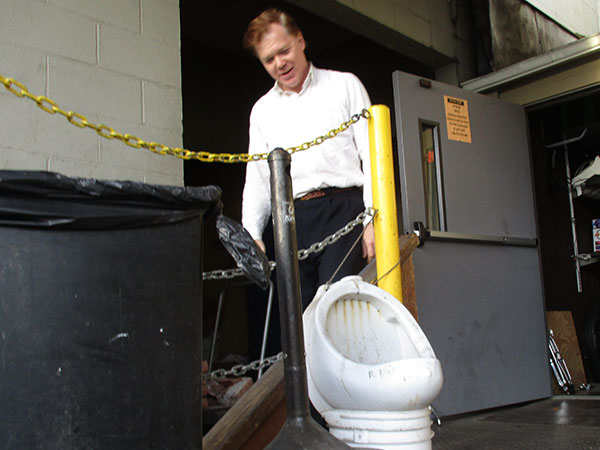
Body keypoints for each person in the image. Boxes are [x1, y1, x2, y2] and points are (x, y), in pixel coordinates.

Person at [241, 8, 375, 310]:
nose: (280, 63)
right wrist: (252, 235)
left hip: (344, 210)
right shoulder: (262, 111)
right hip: (290, 221)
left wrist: (372, 220)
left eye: (284, 51)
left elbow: (373, 157)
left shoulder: (344, 86)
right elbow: (258, 180)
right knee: (298, 322)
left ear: (300, 40)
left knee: (340, 312)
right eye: (269, 59)